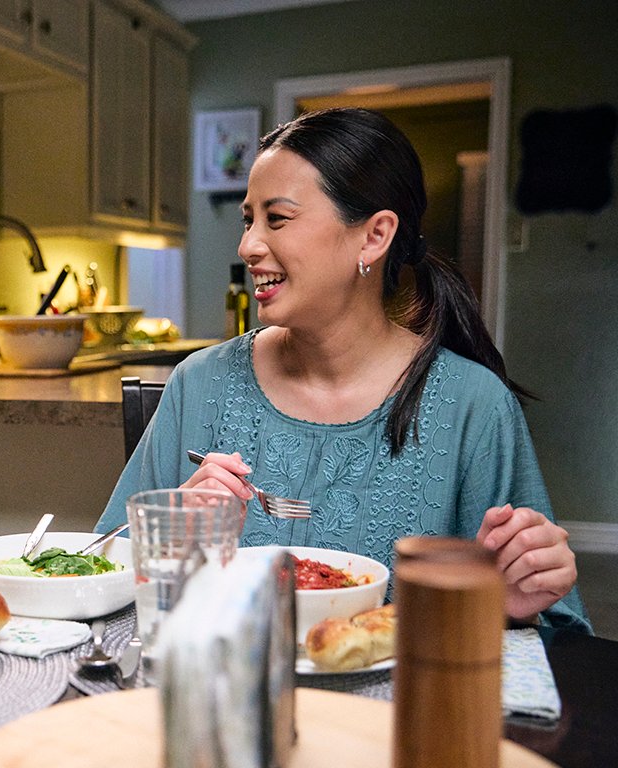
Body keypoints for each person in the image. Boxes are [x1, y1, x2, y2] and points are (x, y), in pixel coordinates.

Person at [97, 108, 588, 631]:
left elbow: (545, 633)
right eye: (248, 219)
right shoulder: (199, 383)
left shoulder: (473, 407)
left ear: (374, 236)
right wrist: (171, 542)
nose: (248, 246)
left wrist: (515, 602)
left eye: (277, 219)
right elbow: (103, 575)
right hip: (231, 698)